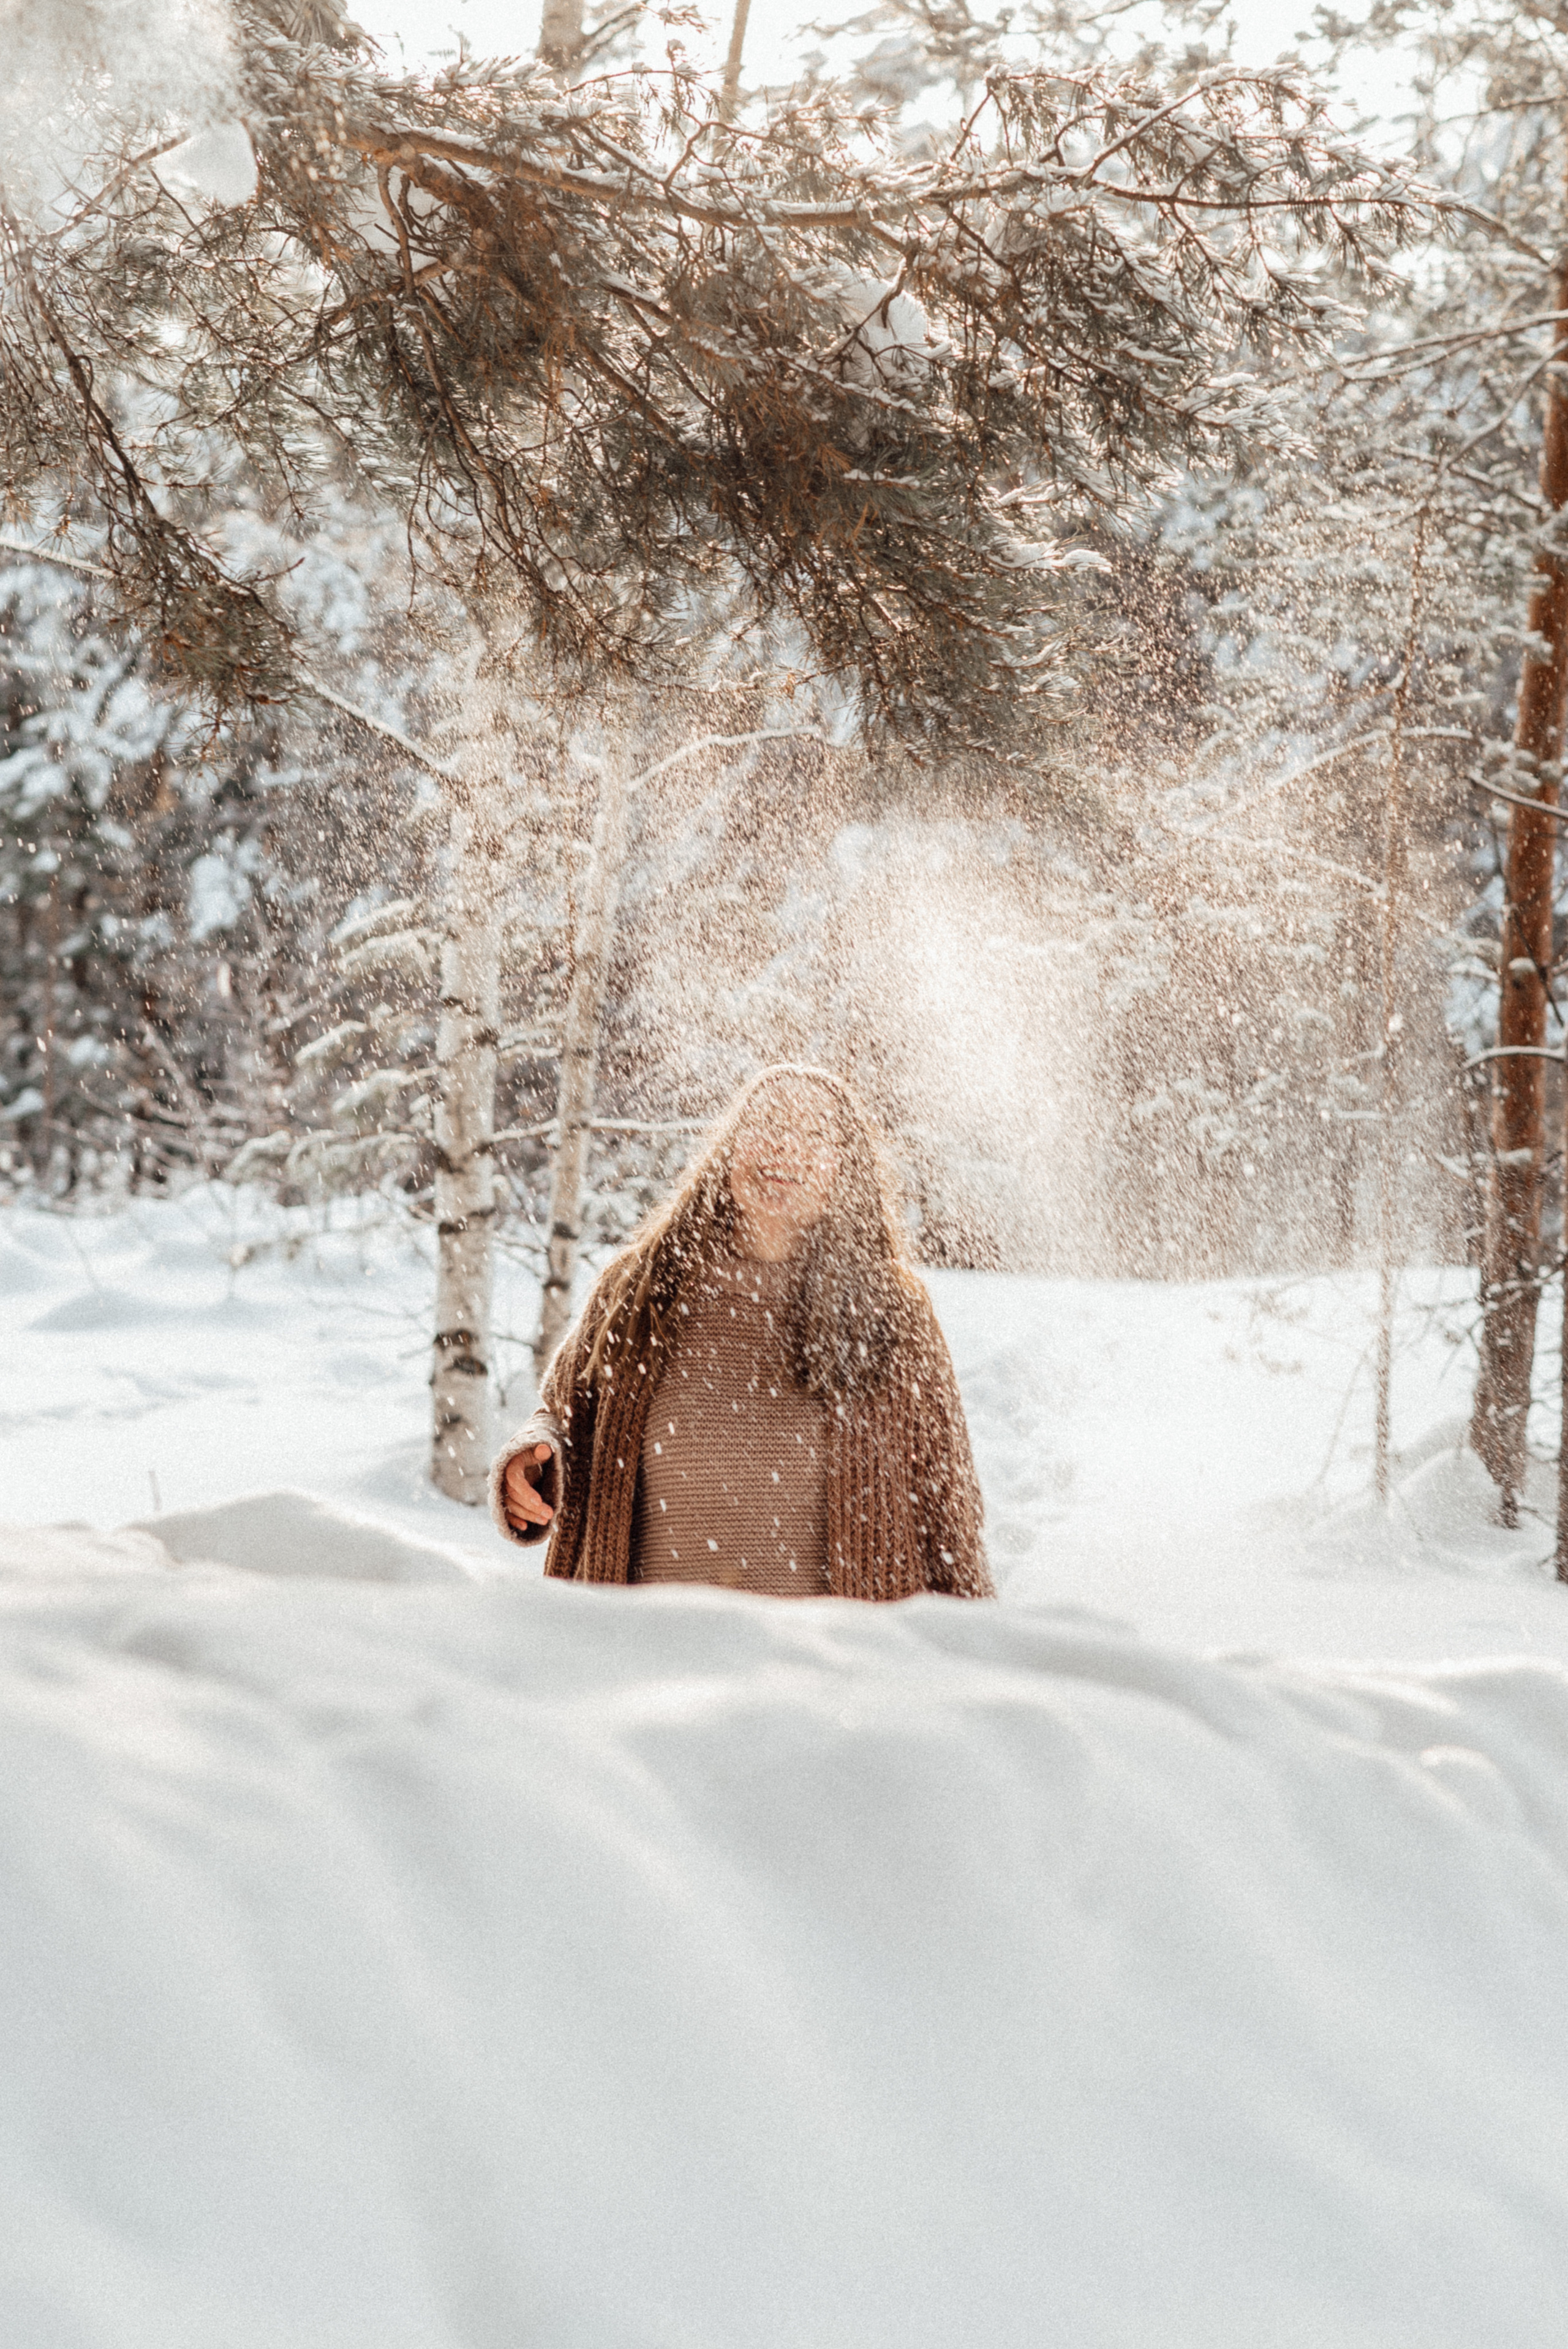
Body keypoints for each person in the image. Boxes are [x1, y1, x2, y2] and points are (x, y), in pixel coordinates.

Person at [489, 1064, 994, 1600]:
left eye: (815, 1134)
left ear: (846, 1170)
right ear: (731, 1145)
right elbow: (564, 1417)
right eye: (768, 1123)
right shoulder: (642, 1285)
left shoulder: (892, 1310)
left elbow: (949, 1515)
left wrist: (972, 1657)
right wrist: (531, 1462)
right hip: (646, 1664)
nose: (784, 1146)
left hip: (831, 1671)